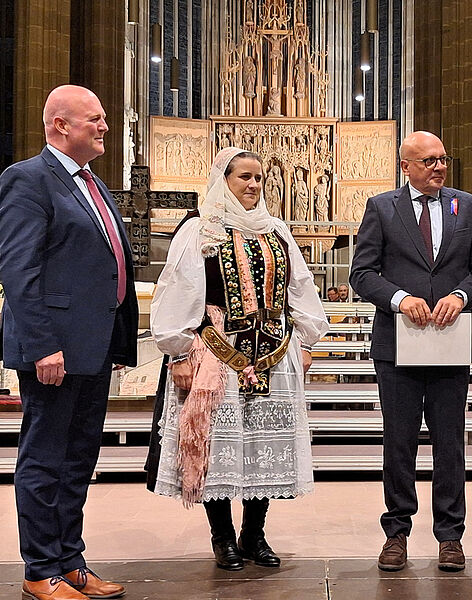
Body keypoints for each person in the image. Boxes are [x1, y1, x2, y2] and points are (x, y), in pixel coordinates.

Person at [149, 147, 328, 572]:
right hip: (217, 353)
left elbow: (299, 287)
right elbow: (179, 288)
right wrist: (177, 353)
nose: (252, 185)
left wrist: (306, 341)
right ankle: (222, 537)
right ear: (222, 180)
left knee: (262, 449)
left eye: (258, 179)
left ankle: (254, 534)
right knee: (218, 450)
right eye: (243, 177)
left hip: (273, 354)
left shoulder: (276, 230)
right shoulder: (200, 230)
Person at [0, 85, 138, 600]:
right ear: (61, 125)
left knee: (78, 458)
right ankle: (40, 569)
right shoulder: (28, 180)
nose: (105, 126)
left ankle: (70, 560)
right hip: (54, 348)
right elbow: (18, 269)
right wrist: (41, 345)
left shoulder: (91, 184)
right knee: (44, 458)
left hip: (92, 346)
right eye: (96, 119)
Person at [349, 131, 472, 572]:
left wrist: (461, 295)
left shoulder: (467, 206)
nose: (439, 167)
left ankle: (450, 537)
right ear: (406, 167)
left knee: (449, 443)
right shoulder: (381, 208)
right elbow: (363, 273)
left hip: (449, 343)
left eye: (443, 159)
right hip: (399, 346)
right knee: (400, 442)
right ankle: (396, 532)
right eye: (429, 161)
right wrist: (399, 299)